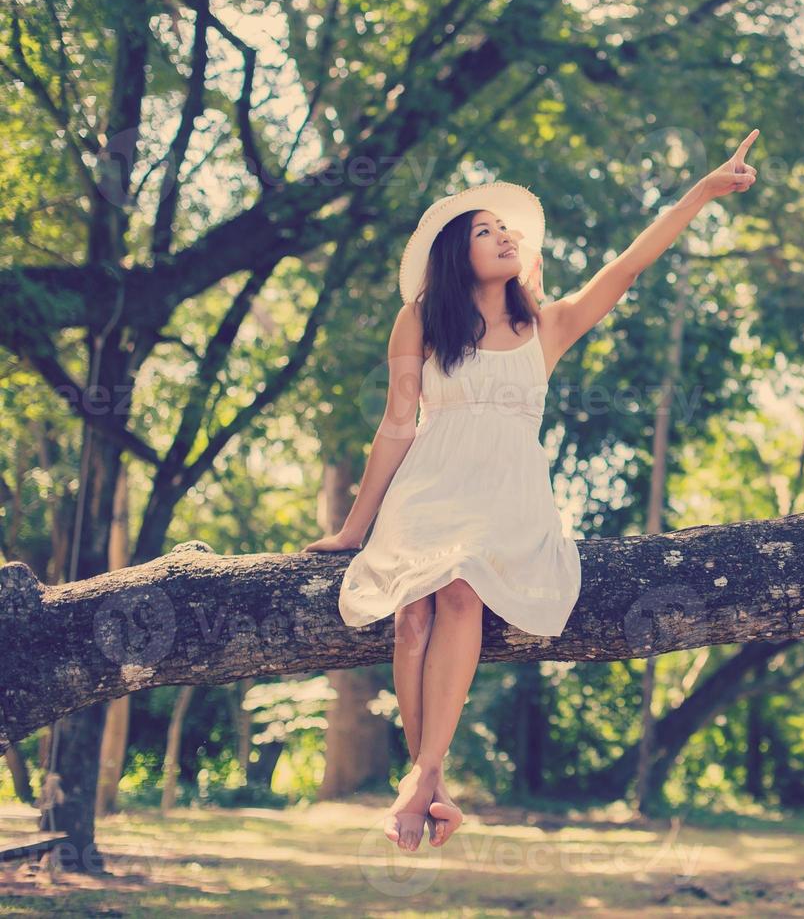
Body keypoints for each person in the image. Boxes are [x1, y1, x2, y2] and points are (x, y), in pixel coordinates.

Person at [305, 129, 760, 853]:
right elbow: (396, 423)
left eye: (504, 227)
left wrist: (702, 192)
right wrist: (354, 529)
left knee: (461, 593)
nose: (503, 236)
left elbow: (631, 263)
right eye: (485, 231)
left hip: (506, 496)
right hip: (428, 489)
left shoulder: (549, 324)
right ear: (460, 254)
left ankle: (421, 777)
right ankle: (431, 784)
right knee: (410, 618)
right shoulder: (422, 319)